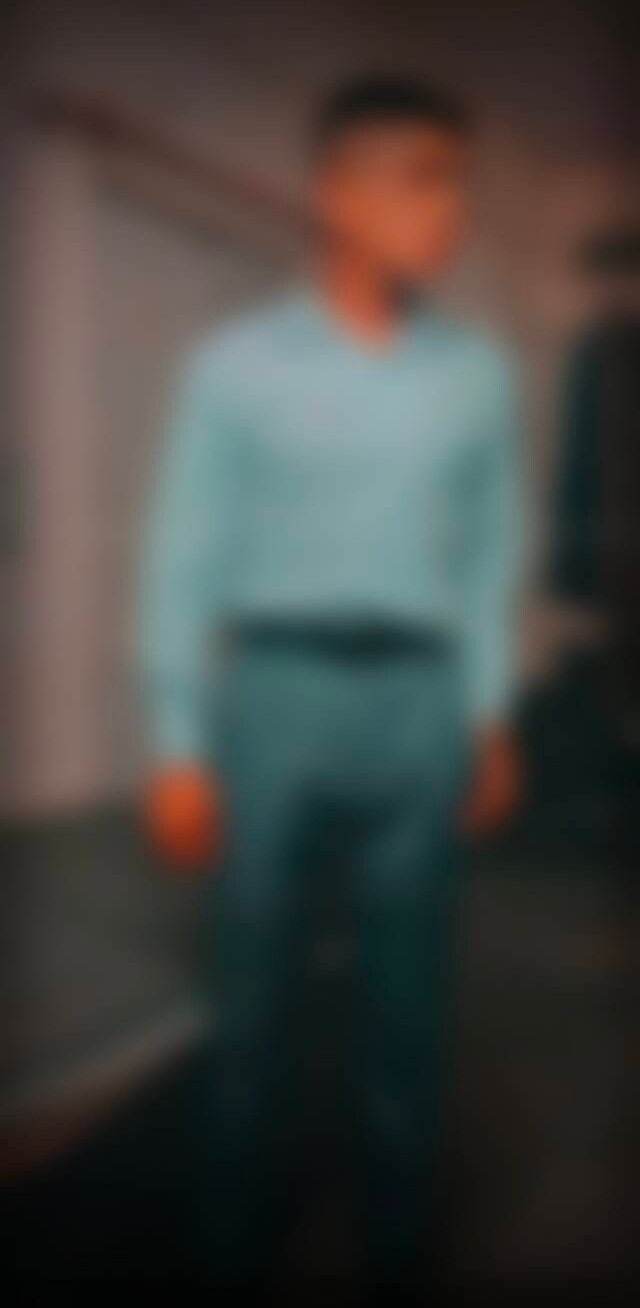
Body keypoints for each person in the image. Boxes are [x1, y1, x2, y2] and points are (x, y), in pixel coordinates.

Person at [136, 75, 525, 1297]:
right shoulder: (235, 367)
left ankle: (397, 1242)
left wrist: (487, 714)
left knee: (409, 1005)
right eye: (421, 179)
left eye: (455, 182)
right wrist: (176, 740)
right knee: (251, 1004)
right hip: (277, 699)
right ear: (336, 194)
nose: (447, 208)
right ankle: (231, 1242)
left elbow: (492, 554)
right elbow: (182, 553)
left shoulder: (477, 374)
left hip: (417, 705)